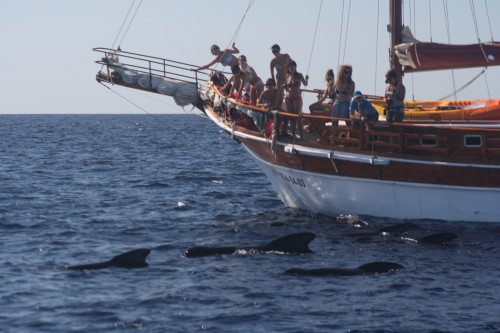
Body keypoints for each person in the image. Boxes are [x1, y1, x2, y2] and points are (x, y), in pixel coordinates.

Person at [284, 61, 308, 137]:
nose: (292, 69)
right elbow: (285, 87)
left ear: (295, 67)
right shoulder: (287, 76)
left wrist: (306, 79)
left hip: (296, 98)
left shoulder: (299, 75)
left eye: (293, 67)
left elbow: (305, 84)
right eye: (290, 68)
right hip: (288, 98)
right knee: (291, 117)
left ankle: (301, 135)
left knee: (298, 117)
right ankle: (293, 134)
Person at [269, 44, 292, 110]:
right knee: (280, 97)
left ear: (279, 50)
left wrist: (293, 76)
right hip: (279, 79)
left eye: (276, 51)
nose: (275, 53)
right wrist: (273, 82)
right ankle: (278, 111)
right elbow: (272, 74)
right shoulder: (273, 61)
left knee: (290, 95)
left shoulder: (286, 56)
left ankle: (290, 110)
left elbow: (292, 65)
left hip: (288, 78)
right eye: (273, 52)